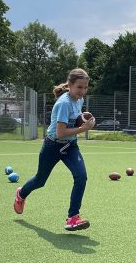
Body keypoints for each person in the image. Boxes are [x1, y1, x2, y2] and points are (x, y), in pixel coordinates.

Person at [13, 68, 96, 231]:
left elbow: (74, 119)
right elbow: (61, 132)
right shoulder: (63, 103)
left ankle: (73, 217)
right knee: (40, 180)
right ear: (70, 85)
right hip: (53, 145)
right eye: (80, 87)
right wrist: (83, 128)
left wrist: (81, 117)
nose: (83, 91)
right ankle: (21, 193)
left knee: (81, 176)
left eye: (86, 87)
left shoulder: (78, 100)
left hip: (70, 146)